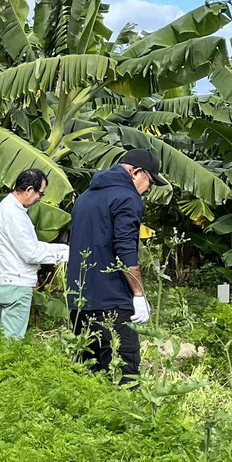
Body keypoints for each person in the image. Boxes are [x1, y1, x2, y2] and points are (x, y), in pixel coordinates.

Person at [67, 147, 157, 383]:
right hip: (113, 302)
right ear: (136, 172)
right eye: (150, 181)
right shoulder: (127, 198)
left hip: (79, 301)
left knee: (87, 375)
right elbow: (126, 249)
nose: (148, 190)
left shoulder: (85, 197)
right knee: (124, 375)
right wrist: (138, 294)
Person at [0, 168, 68, 338]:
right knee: (11, 342)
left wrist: (64, 250)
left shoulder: (7, 208)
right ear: (30, 190)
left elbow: (30, 246)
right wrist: (67, 254)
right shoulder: (14, 214)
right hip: (16, 284)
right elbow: (31, 253)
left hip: (6, 282)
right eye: (40, 193)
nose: (40, 198)